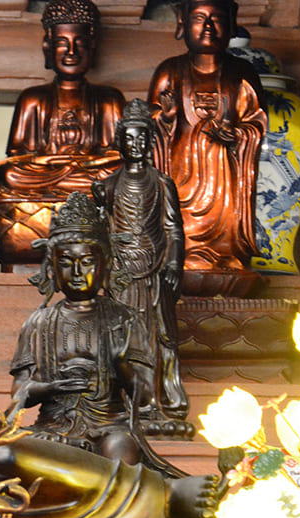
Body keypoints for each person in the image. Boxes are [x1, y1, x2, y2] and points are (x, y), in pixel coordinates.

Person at [9, 192, 157, 468]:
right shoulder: (38, 323)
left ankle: (114, 504)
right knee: (11, 452)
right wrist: (48, 387)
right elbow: (19, 391)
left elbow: (145, 395)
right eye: (65, 263)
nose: (77, 272)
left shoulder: (123, 320)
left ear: (106, 265)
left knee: (120, 451)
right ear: (51, 268)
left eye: (87, 262)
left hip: (108, 426)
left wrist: (121, 363)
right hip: (52, 427)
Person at [0, 0, 124, 266]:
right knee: (7, 175)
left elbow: (118, 157)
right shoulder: (32, 99)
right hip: (46, 178)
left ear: (92, 48)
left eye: (79, 43)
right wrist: (51, 163)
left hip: (90, 179)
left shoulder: (109, 99)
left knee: (121, 177)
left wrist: (81, 164)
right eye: (62, 43)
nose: (71, 51)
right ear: (48, 47)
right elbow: (16, 157)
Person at [147, 0, 266, 273]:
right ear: (182, 23)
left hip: (226, 179)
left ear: (231, 24)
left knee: (228, 237)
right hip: (181, 173)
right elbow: (150, 122)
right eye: (199, 18)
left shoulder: (242, 73)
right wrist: (165, 117)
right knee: (177, 224)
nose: (209, 26)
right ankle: (180, 254)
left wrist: (236, 135)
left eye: (218, 18)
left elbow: (256, 122)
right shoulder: (169, 71)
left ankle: (226, 255)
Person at [93, 99, 190, 427]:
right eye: (129, 138)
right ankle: (121, 402)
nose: (136, 145)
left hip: (154, 271)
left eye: (142, 139)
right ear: (119, 141)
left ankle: (155, 403)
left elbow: (173, 228)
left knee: (155, 336)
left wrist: (174, 264)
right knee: (121, 337)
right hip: (120, 273)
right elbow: (101, 233)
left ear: (151, 143)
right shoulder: (106, 186)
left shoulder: (162, 184)